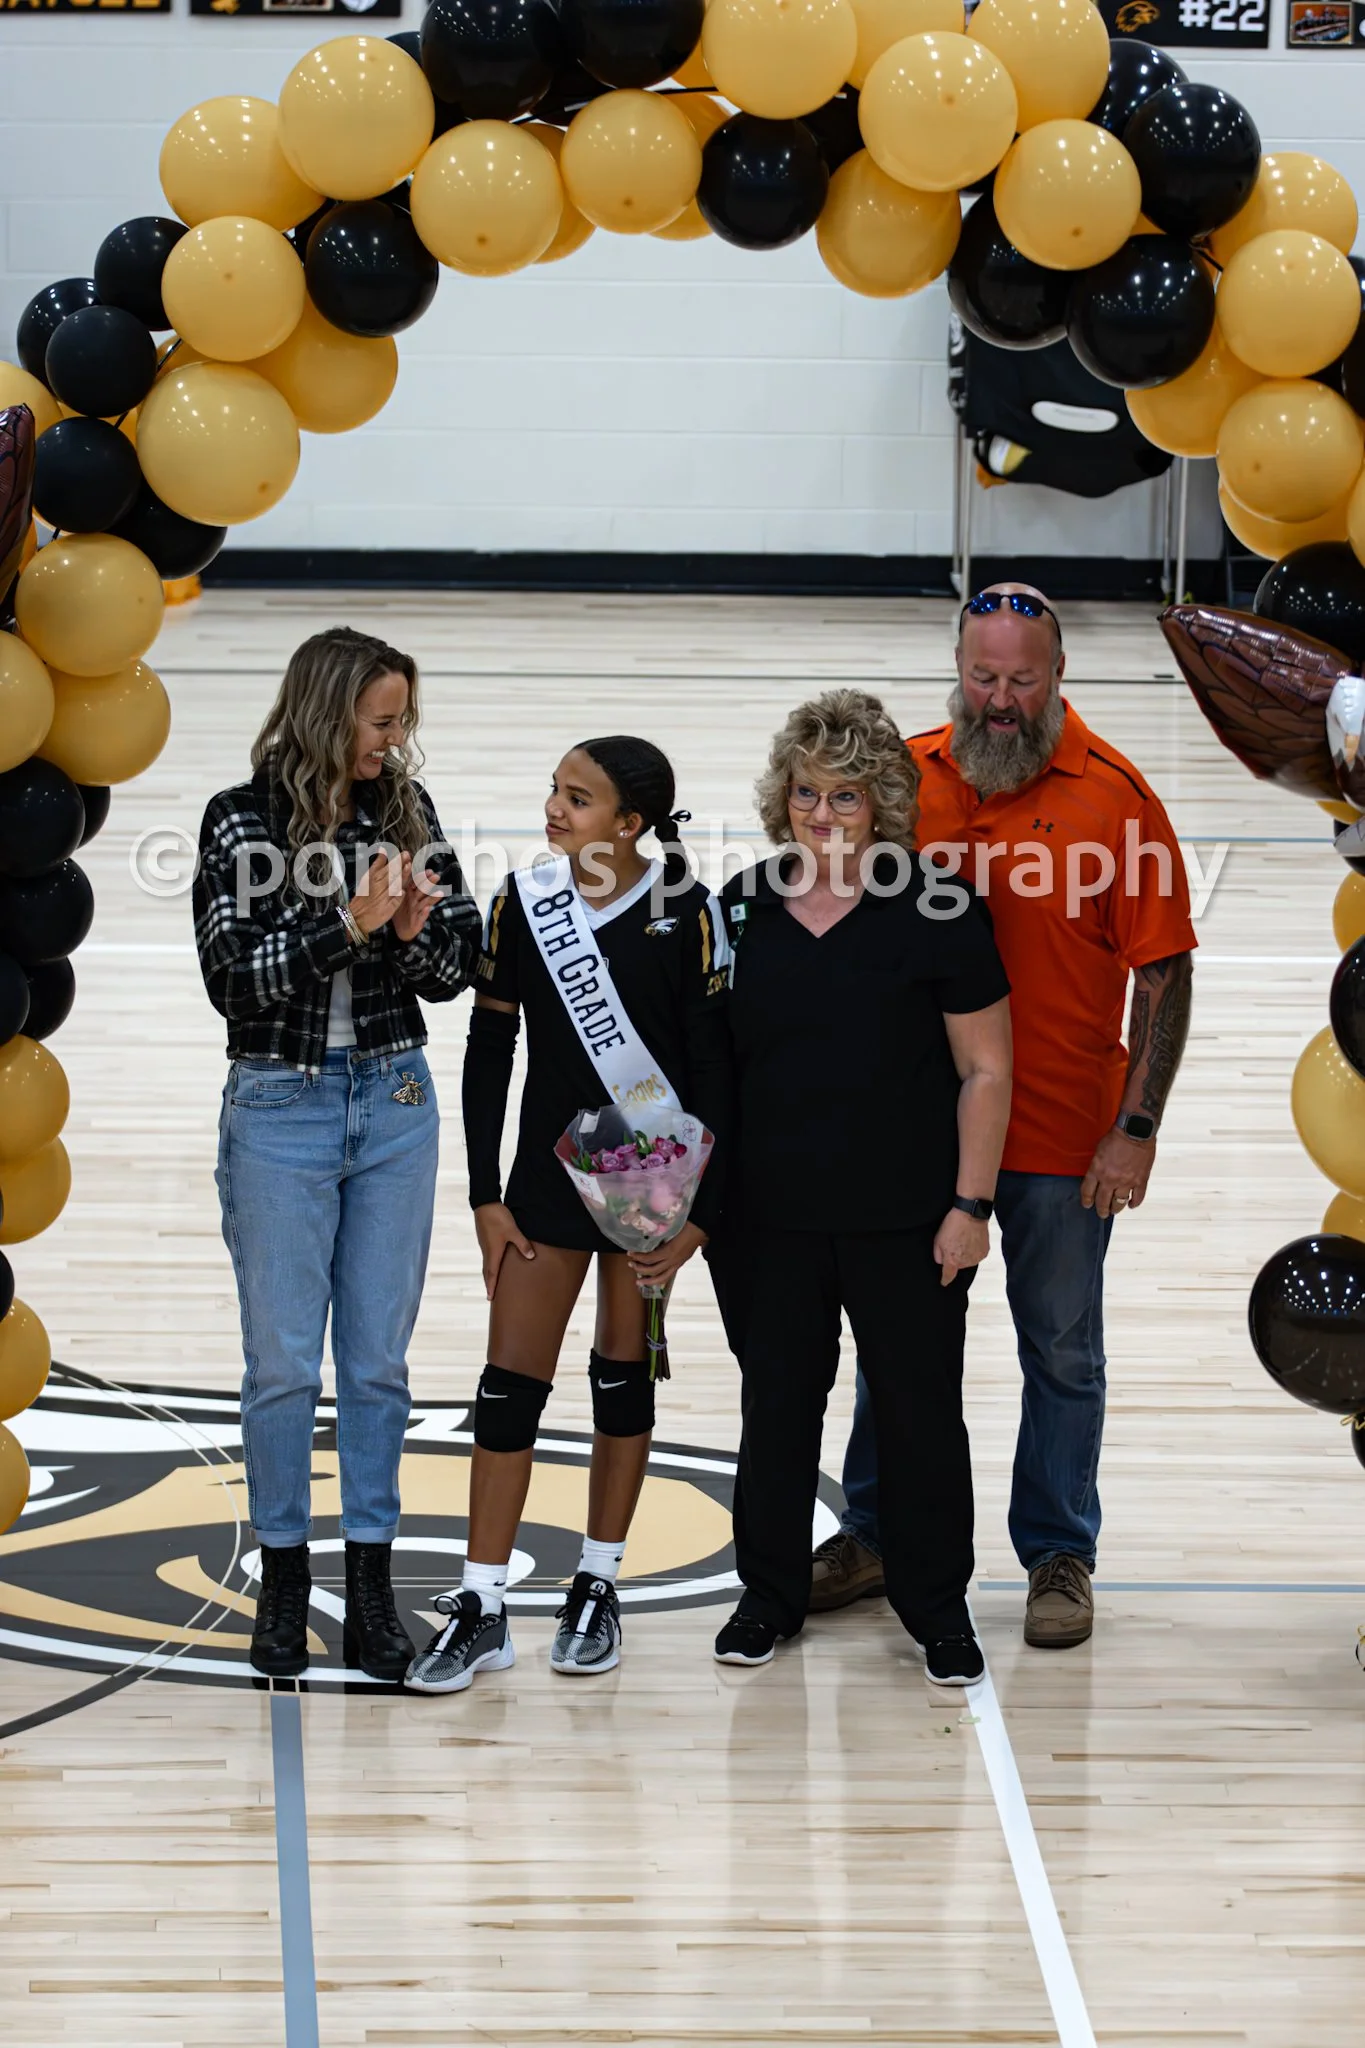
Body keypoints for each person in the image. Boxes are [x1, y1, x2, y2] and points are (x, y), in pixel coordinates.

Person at [812, 586, 1196, 1650]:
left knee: (1062, 1351)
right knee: (895, 1346)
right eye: (982, 675)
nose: (999, 699)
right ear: (957, 667)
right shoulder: (903, 779)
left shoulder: (1116, 797)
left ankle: (1058, 1552)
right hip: (917, 1134)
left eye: (1022, 679)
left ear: (1058, 675)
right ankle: (874, 1532)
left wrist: (1136, 1128)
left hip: (1065, 1136)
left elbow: (1164, 974)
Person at [405, 737, 731, 1694]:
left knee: (621, 1384)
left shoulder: (688, 911)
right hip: (545, 1184)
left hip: (647, 1180)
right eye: (554, 789)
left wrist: (697, 1216)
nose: (554, 807)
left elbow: (717, 1072)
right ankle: (482, 1603)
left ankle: (597, 1583)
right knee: (508, 1391)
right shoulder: (524, 900)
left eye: (578, 798)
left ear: (630, 824)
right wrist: (484, 1193)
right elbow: (489, 1048)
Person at [194, 626, 481, 1682]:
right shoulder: (240, 818)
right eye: (381, 721)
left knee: (375, 1363)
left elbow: (457, 963)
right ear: (327, 714)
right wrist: (352, 925)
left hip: (395, 1098)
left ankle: (369, 1584)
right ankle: (280, 1577)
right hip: (281, 1106)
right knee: (281, 1362)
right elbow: (234, 978)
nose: (395, 739)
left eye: (402, 720)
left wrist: (410, 933)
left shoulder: (409, 811)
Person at [711, 689, 1013, 1688]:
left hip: (908, 1223)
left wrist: (970, 1207)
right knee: (776, 1412)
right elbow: (710, 1068)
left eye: (845, 795)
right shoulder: (741, 906)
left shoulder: (941, 908)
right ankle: (768, 1595)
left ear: (882, 801)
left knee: (921, 1419)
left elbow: (985, 1070)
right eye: (806, 792)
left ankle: (938, 1608)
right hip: (769, 1223)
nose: (822, 813)